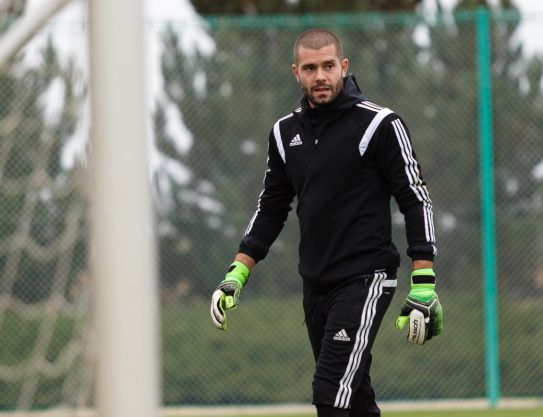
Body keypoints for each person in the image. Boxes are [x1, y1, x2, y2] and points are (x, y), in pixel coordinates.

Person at [210, 28, 443, 417]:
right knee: (355, 398)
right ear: (296, 73)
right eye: (311, 68)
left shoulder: (380, 125)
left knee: (329, 392)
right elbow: (271, 207)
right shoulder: (285, 134)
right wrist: (237, 273)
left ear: (344, 67)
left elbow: (415, 199)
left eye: (328, 66)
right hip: (315, 283)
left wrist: (424, 281)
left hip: (366, 278)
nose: (321, 76)